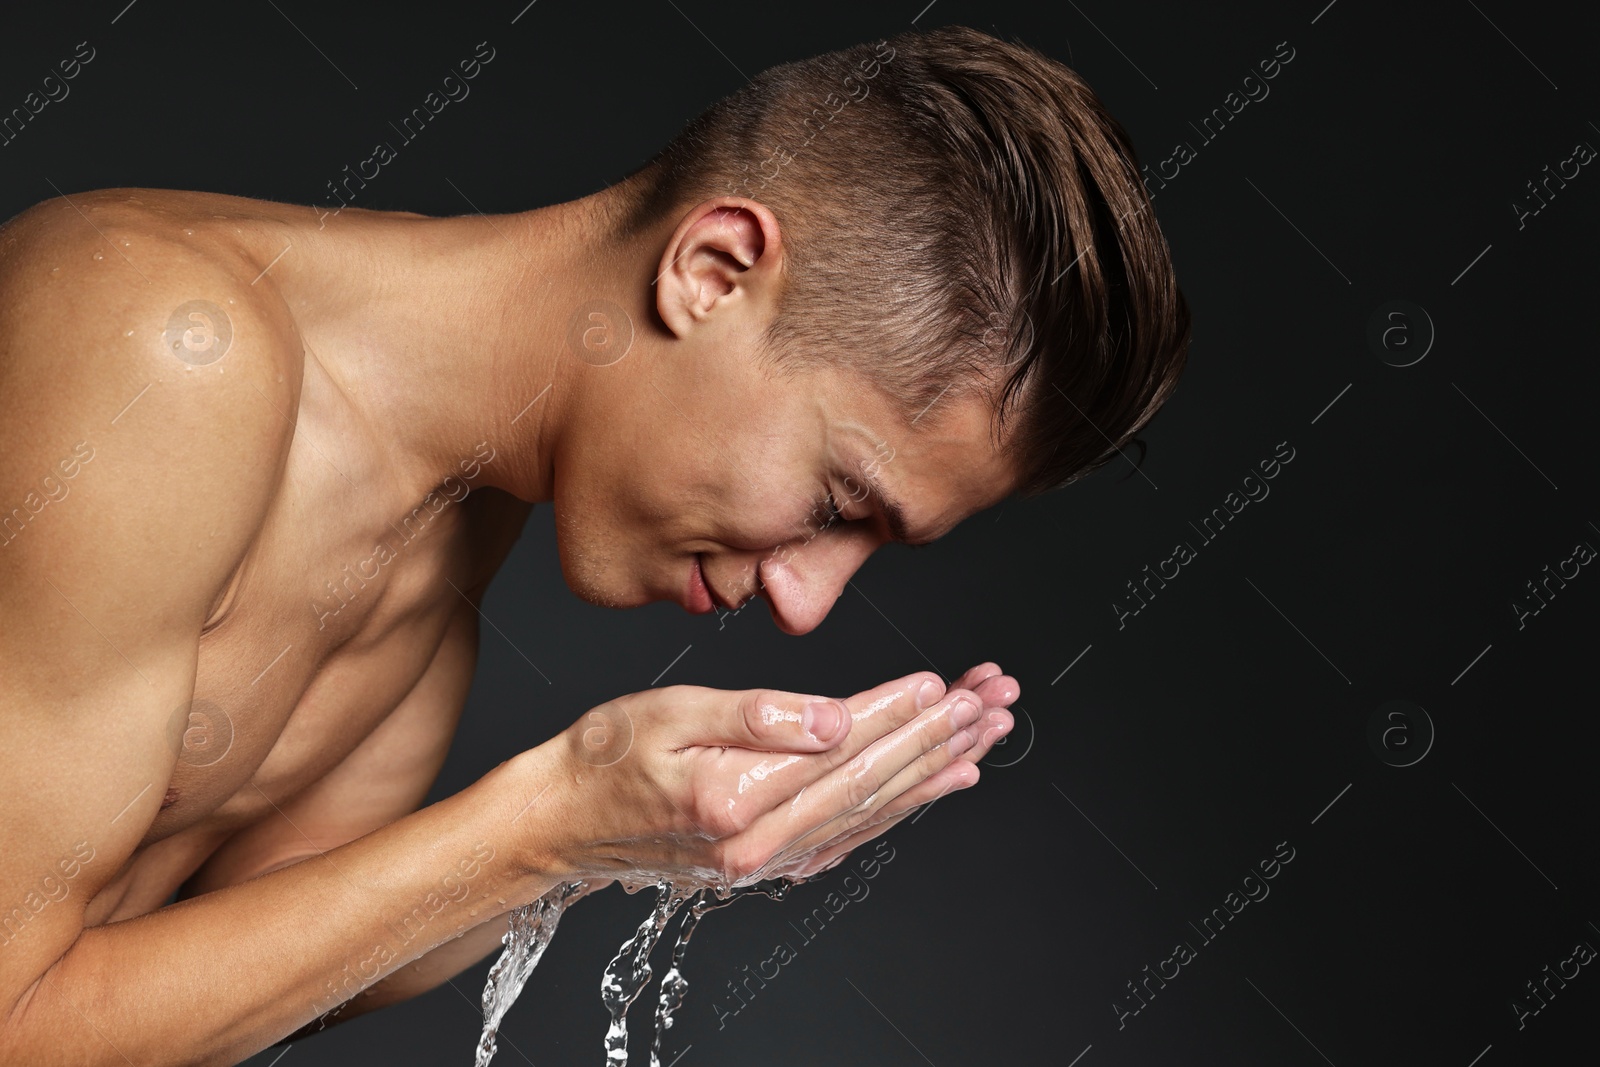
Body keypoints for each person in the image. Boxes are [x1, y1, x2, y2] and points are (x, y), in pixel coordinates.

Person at [0, 23, 1188, 1065]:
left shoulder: (468, 498)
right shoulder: (164, 351)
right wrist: (549, 816)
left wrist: (655, 836)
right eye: (838, 500)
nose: (806, 602)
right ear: (713, 272)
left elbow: (268, 938)